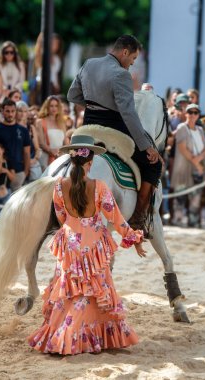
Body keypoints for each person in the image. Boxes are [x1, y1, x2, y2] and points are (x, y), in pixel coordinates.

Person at [27, 135, 145, 355]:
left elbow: (61, 217)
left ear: (72, 161)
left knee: (68, 291)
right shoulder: (99, 186)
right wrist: (134, 239)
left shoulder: (60, 186)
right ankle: (73, 335)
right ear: (90, 162)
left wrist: (74, 227)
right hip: (94, 245)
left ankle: (61, 332)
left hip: (69, 243)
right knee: (93, 291)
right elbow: (116, 218)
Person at [67, 35, 162, 236]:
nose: (132, 64)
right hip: (113, 133)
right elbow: (128, 114)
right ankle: (138, 218)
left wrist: (95, 106)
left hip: (86, 130)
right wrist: (147, 146)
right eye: (133, 59)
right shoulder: (121, 74)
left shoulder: (89, 63)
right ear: (125, 52)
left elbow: (72, 96)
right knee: (153, 164)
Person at [171, 104, 205, 227]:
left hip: (198, 170)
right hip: (183, 170)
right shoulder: (182, 127)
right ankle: (178, 222)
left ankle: (193, 223)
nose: (192, 115)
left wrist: (199, 161)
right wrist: (197, 163)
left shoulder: (200, 130)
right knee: (180, 198)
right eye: (190, 112)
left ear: (198, 115)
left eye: (195, 112)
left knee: (196, 199)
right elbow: (182, 148)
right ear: (186, 113)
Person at [0, 99, 30, 191]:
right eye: (7, 111)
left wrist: (26, 172)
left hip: (19, 172)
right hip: (0, 172)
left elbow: (26, 152)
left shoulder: (23, 130)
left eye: (13, 111)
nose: (10, 114)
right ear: (2, 111)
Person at [36, 95, 66, 169]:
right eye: (51, 106)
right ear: (47, 107)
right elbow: (41, 143)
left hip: (60, 158)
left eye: (56, 106)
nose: (54, 108)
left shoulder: (62, 123)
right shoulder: (40, 122)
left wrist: (61, 153)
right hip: (46, 158)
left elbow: (66, 142)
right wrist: (52, 152)